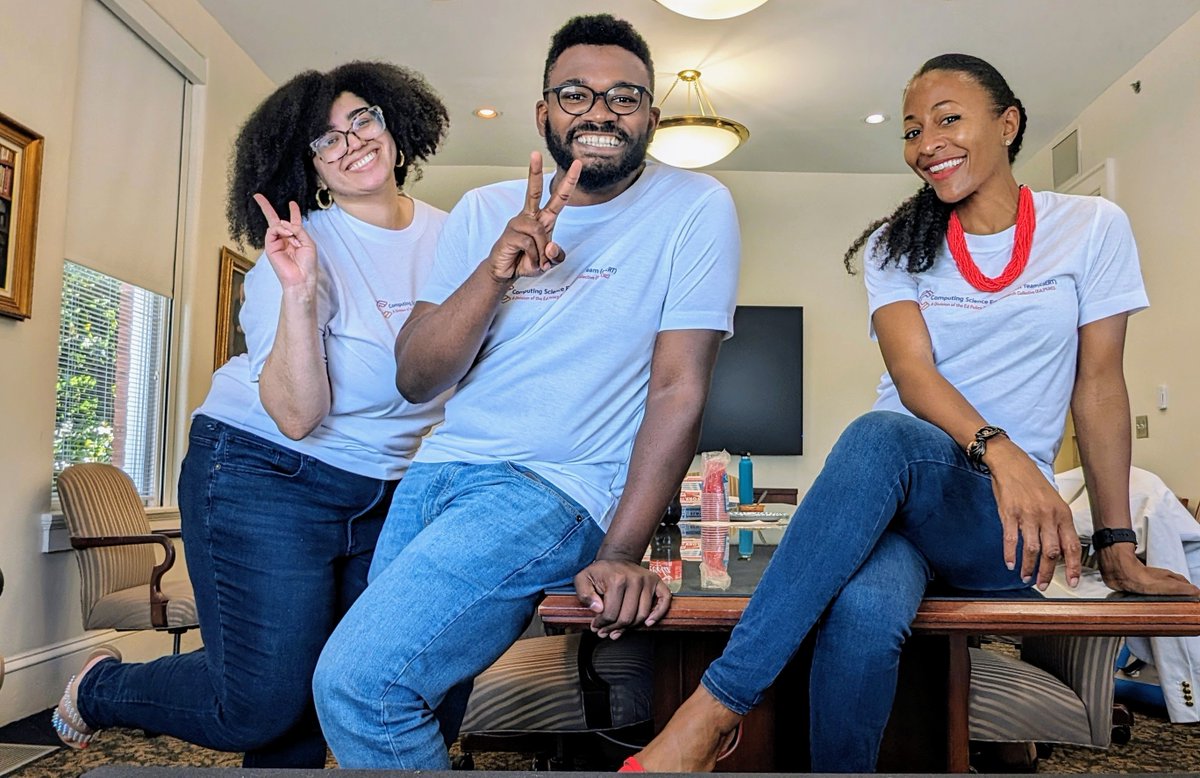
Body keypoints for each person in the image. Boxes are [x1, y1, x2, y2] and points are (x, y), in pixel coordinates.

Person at [621, 53, 1200, 773]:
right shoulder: (899, 247)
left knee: (880, 434)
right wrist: (1001, 447)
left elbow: (1102, 388)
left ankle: (711, 716)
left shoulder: (1090, 226)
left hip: (998, 525)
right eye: (911, 129)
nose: (926, 141)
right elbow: (912, 374)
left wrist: (1115, 539)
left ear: (1009, 123)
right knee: (864, 616)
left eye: (949, 119)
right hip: (903, 508)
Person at [311, 14, 741, 769]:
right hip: (434, 480)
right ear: (543, 113)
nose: (601, 111)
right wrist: (496, 270)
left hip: (547, 490)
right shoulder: (484, 210)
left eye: (625, 96)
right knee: (419, 702)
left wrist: (620, 548)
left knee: (359, 687)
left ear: (653, 117)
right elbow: (415, 377)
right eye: (575, 93)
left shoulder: (695, 206)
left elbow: (678, 389)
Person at [50, 61, 452, 768]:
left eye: (363, 119)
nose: (352, 142)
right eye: (327, 140)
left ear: (395, 124)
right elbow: (298, 416)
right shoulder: (295, 254)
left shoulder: (459, 238)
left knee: (343, 687)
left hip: (384, 488)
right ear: (310, 167)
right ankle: (103, 687)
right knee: (260, 704)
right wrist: (301, 294)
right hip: (263, 471)